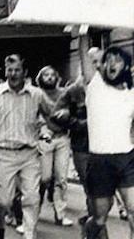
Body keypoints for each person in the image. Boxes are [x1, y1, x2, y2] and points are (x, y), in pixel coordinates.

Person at [0, 54, 53, 239]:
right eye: (9, 70)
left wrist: (49, 128)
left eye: (17, 70)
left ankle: (30, 233)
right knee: (4, 201)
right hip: (2, 153)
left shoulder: (37, 94)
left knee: (32, 196)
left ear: (25, 72)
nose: (13, 74)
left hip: (29, 153)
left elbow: (51, 113)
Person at [75, 35, 134, 239]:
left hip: (127, 158)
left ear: (126, 66)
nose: (111, 63)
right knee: (100, 217)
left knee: (133, 210)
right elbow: (84, 55)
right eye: (108, 59)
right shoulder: (95, 84)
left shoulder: (131, 92)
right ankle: (88, 233)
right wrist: (82, 29)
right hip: (100, 161)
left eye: (117, 60)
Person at [35, 66, 73, 226]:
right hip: (44, 139)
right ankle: (34, 212)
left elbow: (75, 110)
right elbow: (33, 116)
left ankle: (60, 213)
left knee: (61, 178)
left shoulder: (64, 93)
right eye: (46, 75)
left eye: (52, 75)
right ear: (40, 77)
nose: (49, 77)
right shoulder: (36, 94)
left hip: (62, 137)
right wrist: (42, 127)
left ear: (57, 77)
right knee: (44, 178)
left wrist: (68, 114)